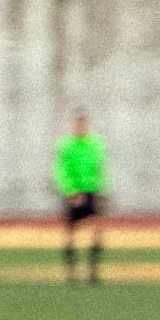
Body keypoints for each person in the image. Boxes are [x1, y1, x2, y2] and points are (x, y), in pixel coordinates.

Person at [53, 112, 108, 286]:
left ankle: (93, 272)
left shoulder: (96, 144)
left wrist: (103, 190)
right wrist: (70, 191)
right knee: (70, 232)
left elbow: (101, 168)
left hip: (91, 191)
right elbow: (60, 170)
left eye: (83, 125)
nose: (81, 128)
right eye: (78, 125)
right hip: (73, 192)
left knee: (97, 230)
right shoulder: (66, 145)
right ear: (74, 126)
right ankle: (71, 273)